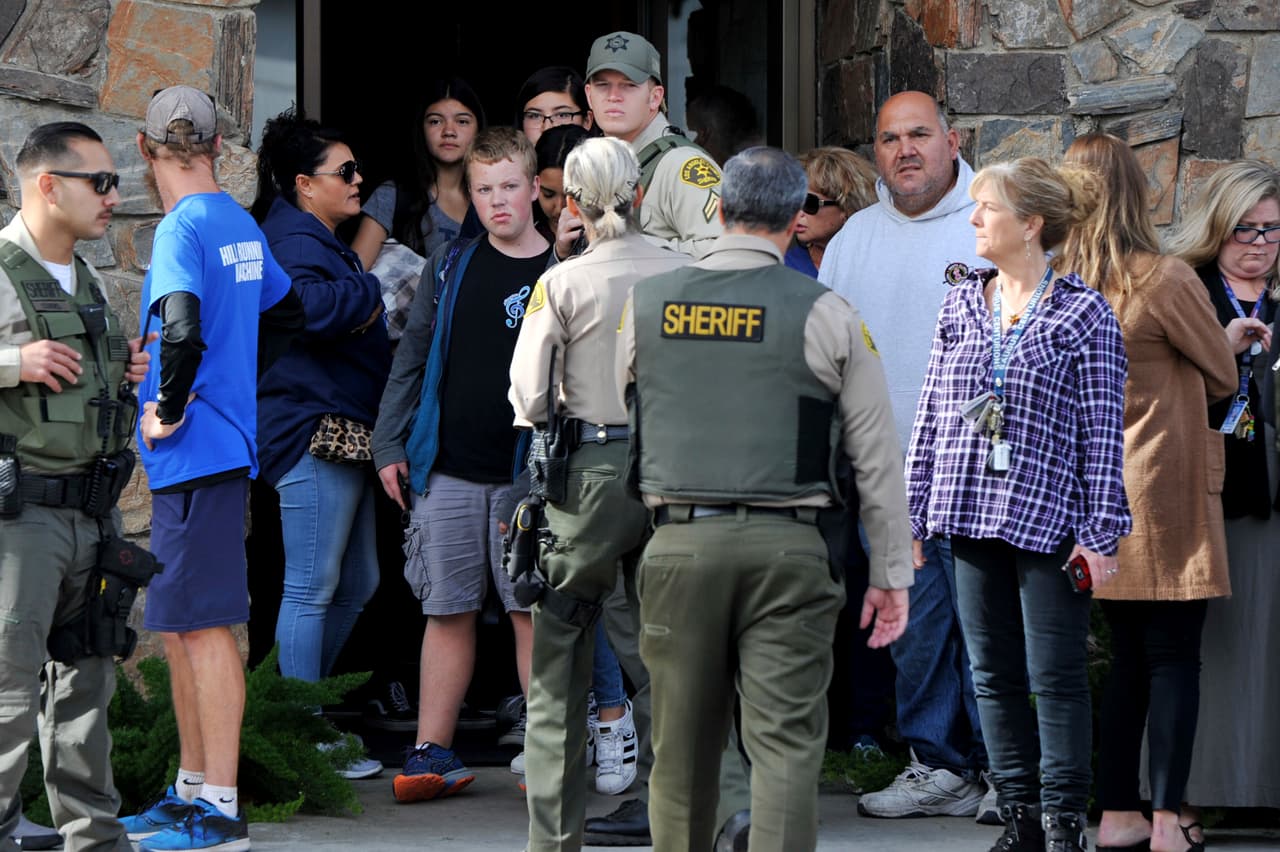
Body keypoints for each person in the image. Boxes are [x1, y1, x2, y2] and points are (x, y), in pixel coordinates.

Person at [617, 146, 914, 852]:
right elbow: (875, 454)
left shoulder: (649, 304)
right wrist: (891, 572)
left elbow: (626, 408)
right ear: (793, 220)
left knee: (683, 745)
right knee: (783, 745)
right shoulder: (829, 312)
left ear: (718, 211)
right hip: (790, 547)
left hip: (679, 542)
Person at [905, 156, 1131, 852]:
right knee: (992, 675)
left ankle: (1065, 825)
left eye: (988, 208)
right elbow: (934, 411)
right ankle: (1018, 820)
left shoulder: (1083, 310)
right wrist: (911, 510)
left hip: (1048, 519)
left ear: (1031, 223)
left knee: (1055, 676)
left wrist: (1101, 532)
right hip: (967, 510)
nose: (974, 219)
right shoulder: (961, 300)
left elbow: (1102, 430)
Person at [509, 136, 693, 851]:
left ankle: (554, 839)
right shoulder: (686, 271)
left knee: (558, 666)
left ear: (574, 203)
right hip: (670, 473)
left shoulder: (563, 282)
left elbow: (527, 396)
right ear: (641, 193)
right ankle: (680, 820)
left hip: (584, 477)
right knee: (669, 657)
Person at [1055, 134, 1238, 852]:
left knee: (1124, 658)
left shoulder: (1056, 284)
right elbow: (1222, 373)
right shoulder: (1161, 278)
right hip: (1162, 492)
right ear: (1136, 192)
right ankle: (1166, 820)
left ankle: (1117, 813)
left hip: (1090, 495)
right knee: (1172, 660)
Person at [124, 87, 294, 852]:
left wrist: (168, 399)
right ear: (221, 143)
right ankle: (190, 792)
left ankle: (218, 808)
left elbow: (185, 328)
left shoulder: (180, 226)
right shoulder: (237, 222)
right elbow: (280, 311)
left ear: (143, 147)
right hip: (219, 449)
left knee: (205, 629)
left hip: (196, 453)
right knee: (185, 626)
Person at [818, 90, 993, 822]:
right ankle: (935, 765)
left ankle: (1003, 776)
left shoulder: (991, 221)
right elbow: (824, 349)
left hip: (984, 471)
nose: (905, 150)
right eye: (890, 139)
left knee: (989, 634)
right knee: (916, 635)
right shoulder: (854, 235)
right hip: (889, 479)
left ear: (953, 140)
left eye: (920, 134)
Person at [370, 127, 550, 803]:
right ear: (469, 196)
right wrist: (390, 445)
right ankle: (430, 752)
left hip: (527, 474)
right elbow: (411, 359)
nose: (499, 201)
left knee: (530, 610)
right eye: (484, 190)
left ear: (535, 188)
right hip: (446, 467)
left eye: (510, 186)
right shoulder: (452, 265)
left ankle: (545, 746)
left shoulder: (560, 268)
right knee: (446, 609)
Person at [0, 121, 155, 852]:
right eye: (101, 182)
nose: (114, 197)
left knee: (87, 685)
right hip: (19, 516)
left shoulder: (84, 276)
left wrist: (117, 369)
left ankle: (94, 838)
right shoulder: (2, 266)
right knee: (6, 687)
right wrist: (12, 363)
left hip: (92, 514)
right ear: (48, 186)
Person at [251, 107, 391, 781]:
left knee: (356, 580)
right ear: (306, 184)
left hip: (339, 432)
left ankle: (290, 706)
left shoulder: (307, 234)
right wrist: (367, 289)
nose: (357, 179)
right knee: (312, 586)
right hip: (312, 431)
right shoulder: (297, 242)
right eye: (346, 171)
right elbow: (302, 311)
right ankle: (298, 732)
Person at [1166, 160, 1280, 837]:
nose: (1261, 243)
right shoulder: (1189, 294)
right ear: (1216, 225)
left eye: (1273, 230)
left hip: (1274, 501)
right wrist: (1222, 351)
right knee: (1207, 656)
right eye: (1246, 229)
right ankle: (1186, 795)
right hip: (1203, 502)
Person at [351, 78, 486, 338]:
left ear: (479, 129)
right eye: (435, 121)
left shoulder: (491, 200)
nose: (449, 131)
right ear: (421, 129)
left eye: (462, 121)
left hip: (467, 342)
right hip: (399, 351)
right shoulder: (393, 195)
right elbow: (352, 278)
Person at [584, 30, 722, 258]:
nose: (614, 96)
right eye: (602, 85)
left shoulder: (682, 165)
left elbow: (726, 252)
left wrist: (641, 251)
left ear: (655, 97)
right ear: (589, 95)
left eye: (628, 85)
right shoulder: (597, 165)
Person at [786, 146, 877, 276]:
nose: (797, 212)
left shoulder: (876, 266)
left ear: (847, 208)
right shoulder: (785, 268)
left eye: (809, 202)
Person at [685, 83, 762, 171]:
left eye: (688, 131)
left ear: (702, 135)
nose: (684, 140)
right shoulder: (759, 177)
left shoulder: (692, 180)